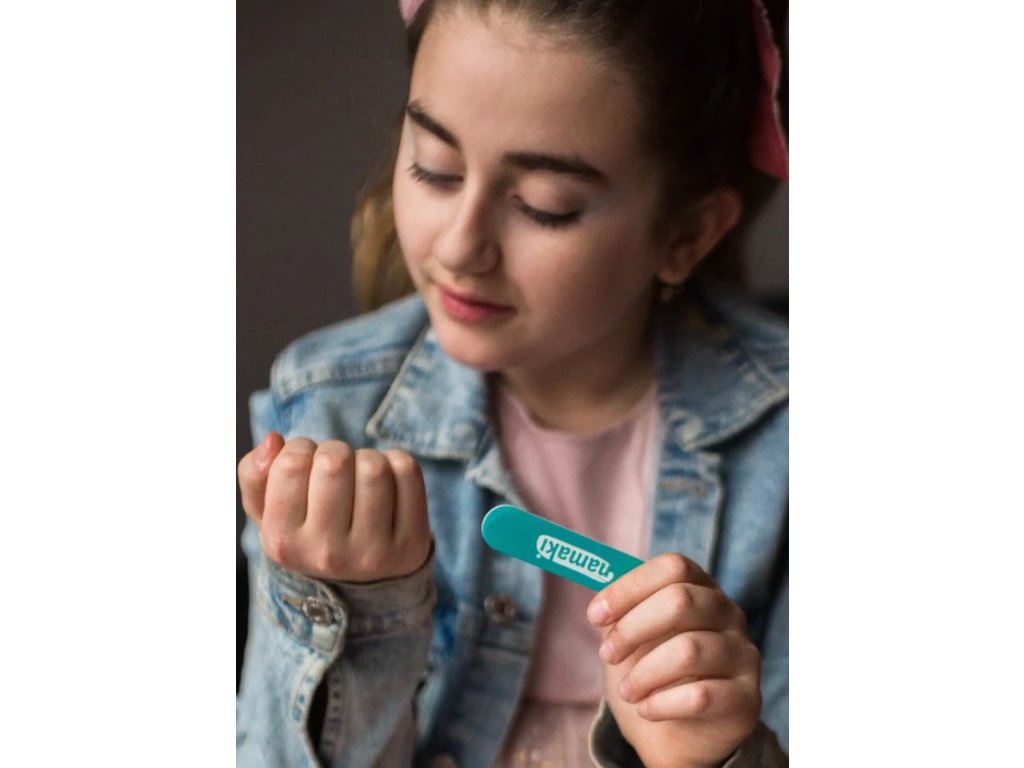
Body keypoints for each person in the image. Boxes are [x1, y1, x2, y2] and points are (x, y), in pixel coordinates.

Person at [236, 0, 789, 766]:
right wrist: (353, 620)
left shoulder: (788, 442)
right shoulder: (331, 409)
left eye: (545, 208)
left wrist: (719, 752)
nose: (461, 247)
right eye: (434, 168)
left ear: (685, 233)